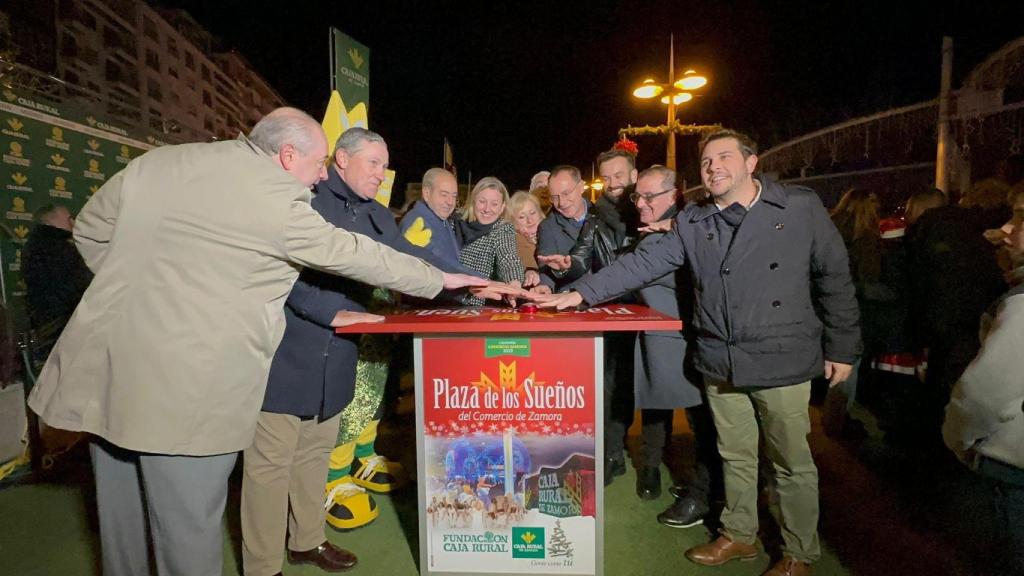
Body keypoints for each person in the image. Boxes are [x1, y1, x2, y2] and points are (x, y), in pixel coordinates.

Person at [27, 108, 488, 576]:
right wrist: (444, 278)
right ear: (288, 156)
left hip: (108, 375)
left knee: (122, 539)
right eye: (318, 163)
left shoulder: (160, 162)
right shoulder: (276, 200)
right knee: (187, 540)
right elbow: (355, 255)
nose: (322, 173)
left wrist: (144, 298)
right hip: (190, 392)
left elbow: (88, 232)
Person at [532, 129, 860, 576]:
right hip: (720, 358)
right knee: (735, 455)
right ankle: (740, 534)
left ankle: (799, 551)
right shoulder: (695, 220)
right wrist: (580, 294)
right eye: (706, 162)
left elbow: (834, 278)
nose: (714, 167)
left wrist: (842, 346)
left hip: (780, 356)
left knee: (790, 463)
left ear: (751, 162)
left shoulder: (798, 207)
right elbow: (640, 264)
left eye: (724, 157)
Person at [241, 127, 474, 576]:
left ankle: (306, 540)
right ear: (341, 160)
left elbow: (407, 253)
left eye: (385, 165)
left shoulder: (376, 214)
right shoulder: (303, 202)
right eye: (374, 163)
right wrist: (330, 311)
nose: (382, 173)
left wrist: (468, 283)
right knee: (270, 467)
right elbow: (277, 274)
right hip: (287, 352)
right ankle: (262, 565)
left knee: (314, 454)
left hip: (341, 350)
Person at [624, 165, 723, 524]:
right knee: (660, 406)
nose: (641, 204)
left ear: (674, 195)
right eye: (639, 196)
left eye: (650, 196)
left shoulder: (686, 229)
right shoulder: (658, 228)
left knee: (706, 421)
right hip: (663, 338)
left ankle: (706, 494)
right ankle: (698, 486)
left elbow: (634, 272)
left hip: (692, 340)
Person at [943, 185, 1024, 575]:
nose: (1008, 229)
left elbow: (983, 396)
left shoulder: (1022, 307)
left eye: (1022, 218)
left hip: (1013, 467)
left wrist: (957, 438)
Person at [22, 204, 92, 361]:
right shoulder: (59, 248)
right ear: (50, 221)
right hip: (65, 325)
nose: (73, 223)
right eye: (68, 219)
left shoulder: (37, 245)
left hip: (51, 324)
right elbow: (81, 285)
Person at [457, 176, 525, 305]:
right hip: (441, 299)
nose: (487, 209)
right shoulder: (454, 222)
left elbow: (508, 257)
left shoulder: (502, 228)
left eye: (494, 204)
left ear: (502, 207)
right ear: (473, 201)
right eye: (482, 201)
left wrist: (514, 283)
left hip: (474, 305)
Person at [400, 167, 467, 272]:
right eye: (444, 195)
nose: (450, 202)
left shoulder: (440, 218)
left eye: (454, 196)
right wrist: (482, 281)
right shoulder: (418, 224)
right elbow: (445, 265)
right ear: (426, 194)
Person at [594, 148, 641, 246]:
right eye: (606, 178)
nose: (612, 184)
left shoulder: (653, 211)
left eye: (618, 176)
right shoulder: (593, 219)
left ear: (634, 175)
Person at [509, 190, 544, 289]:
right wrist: (529, 271)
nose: (530, 220)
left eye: (532, 213)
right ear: (514, 222)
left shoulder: (554, 231)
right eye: (521, 217)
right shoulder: (514, 240)